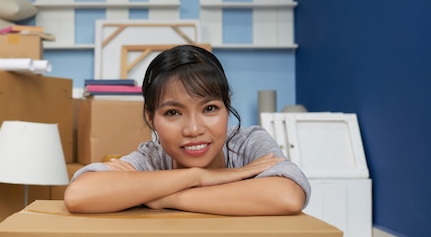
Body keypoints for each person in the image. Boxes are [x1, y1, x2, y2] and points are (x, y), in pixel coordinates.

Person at [64, 44, 310, 216]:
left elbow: (287, 196)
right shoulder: (151, 158)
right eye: (173, 113)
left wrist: (169, 198)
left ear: (227, 106)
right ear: (151, 118)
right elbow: (79, 195)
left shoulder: (247, 144)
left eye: (210, 109)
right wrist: (197, 177)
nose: (193, 129)